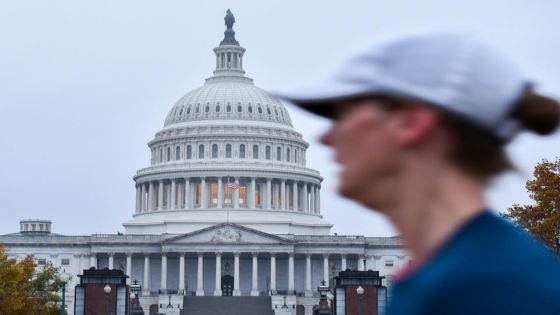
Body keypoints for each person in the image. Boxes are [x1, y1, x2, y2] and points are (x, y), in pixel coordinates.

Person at [275, 33, 560, 314]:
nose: (327, 138)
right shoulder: (464, 276)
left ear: (412, 124)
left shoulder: (488, 290)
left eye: (342, 115)